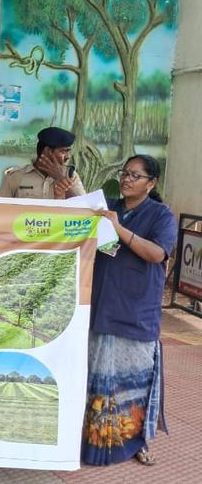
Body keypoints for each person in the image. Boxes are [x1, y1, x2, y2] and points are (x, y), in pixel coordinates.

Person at [82, 155, 176, 467]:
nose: (127, 179)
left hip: (135, 312)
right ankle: (93, 441)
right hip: (102, 308)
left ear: (151, 183)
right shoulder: (110, 207)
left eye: (135, 176)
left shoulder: (161, 215)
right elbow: (96, 237)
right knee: (97, 380)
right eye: (125, 173)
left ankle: (136, 442)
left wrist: (119, 229)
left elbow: (157, 253)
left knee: (132, 385)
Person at [0, 126, 85, 199]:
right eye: (63, 151)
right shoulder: (15, 176)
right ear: (48, 151)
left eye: (68, 151)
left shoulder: (70, 176)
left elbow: (84, 208)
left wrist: (60, 178)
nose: (67, 156)